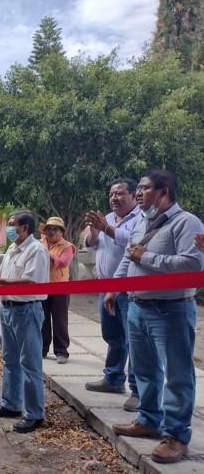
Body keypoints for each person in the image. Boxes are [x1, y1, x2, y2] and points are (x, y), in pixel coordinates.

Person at [108, 170, 204, 464]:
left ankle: (176, 436)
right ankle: (149, 419)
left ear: (164, 192)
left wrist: (146, 257)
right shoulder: (141, 221)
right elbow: (128, 255)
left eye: (145, 189)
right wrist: (115, 287)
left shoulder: (186, 222)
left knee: (177, 375)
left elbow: (192, 264)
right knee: (144, 369)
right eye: (137, 188)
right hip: (137, 307)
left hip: (171, 310)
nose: (138, 193)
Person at [0, 211, 50, 433]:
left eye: (12, 225)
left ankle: (35, 414)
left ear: (25, 228)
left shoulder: (36, 250)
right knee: (10, 359)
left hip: (26, 311)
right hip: (8, 309)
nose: (9, 228)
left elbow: (30, 283)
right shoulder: (12, 248)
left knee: (30, 363)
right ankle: (11, 404)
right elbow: (2, 273)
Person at [83, 178, 141, 411]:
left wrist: (106, 229)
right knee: (113, 335)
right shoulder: (106, 218)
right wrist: (95, 231)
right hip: (104, 286)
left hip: (127, 289)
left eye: (119, 193)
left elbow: (132, 243)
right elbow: (92, 246)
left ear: (134, 195)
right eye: (111, 194)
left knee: (134, 340)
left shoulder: (140, 218)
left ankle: (138, 390)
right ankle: (113, 378)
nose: (114, 198)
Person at [40, 217, 76, 364]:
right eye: (49, 228)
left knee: (60, 321)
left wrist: (47, 254)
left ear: (62, 232)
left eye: (55, 229)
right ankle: (42, 349)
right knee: (42, 320)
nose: (51, 231)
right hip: (42, 286)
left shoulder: (68, 246)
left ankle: (61, 352)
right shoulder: (40, 243)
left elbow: (63, 262)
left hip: (60, 288)